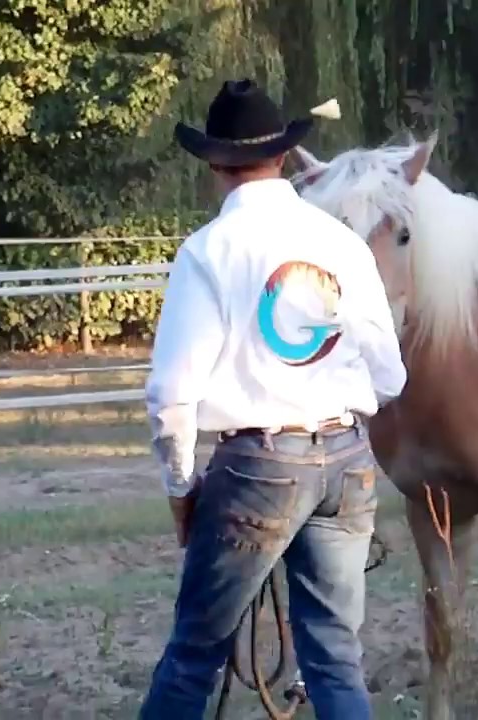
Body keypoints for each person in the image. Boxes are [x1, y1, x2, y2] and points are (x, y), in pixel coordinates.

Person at [137, 79, 407, 720]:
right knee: (336, 658)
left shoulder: (207, 252)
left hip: (257, 466)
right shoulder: (341, 243)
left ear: (213, 164)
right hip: (346, 458)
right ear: (282, 157)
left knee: (195, 652)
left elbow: (174, 393)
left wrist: (181, 487)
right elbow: (390, 376)